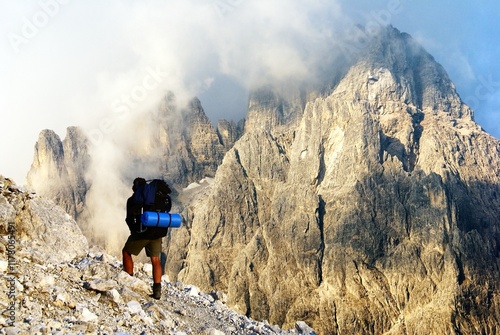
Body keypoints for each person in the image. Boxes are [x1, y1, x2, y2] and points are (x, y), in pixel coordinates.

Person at [122, 177, 164, 300]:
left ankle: (128, 280)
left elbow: (129, 218)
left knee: (126, 252)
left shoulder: (134, 200)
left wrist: (133, 230)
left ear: (135, 187)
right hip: (157, 230)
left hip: (142, 232)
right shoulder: (157, 198)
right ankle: (157, 291)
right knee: (155, 260)